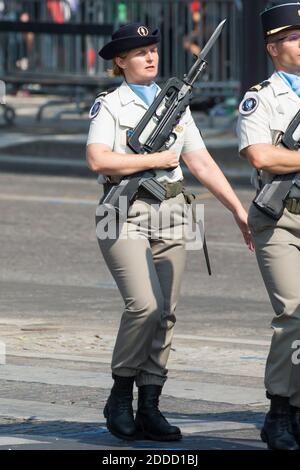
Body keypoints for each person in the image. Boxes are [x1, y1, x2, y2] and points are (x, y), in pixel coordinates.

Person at [86, 22, 253, 442]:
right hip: (122, 211)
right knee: (144, 305)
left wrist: (237, 208)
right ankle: (120, 396)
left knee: (167, 311)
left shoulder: (175, 104)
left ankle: (151, 406)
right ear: (120, 62)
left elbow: (199, 161)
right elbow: (98, 160)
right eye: (139, 51)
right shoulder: (110, 105)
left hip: (177, 210)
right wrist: (154, 158)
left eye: (153, 49)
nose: (150, 56)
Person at [237, 2, 300, 451]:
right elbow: (261, 156)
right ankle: (280, 410)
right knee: (294, 313)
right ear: (274, 47)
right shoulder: (260, 97)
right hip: (281, 217)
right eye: (296, 36)